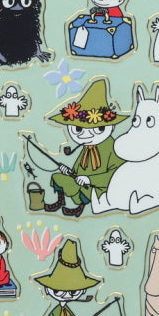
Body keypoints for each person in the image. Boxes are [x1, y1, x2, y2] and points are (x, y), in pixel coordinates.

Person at [46, 80, 126, 217]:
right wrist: (68, 171)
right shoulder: (86, 148)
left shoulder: (113, 147)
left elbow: (116, 174)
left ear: (111, 127)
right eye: (78, 129)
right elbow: (77, 170)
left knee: (87, 190)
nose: (86, 135)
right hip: (80, 181)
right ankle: (60, 201)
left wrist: (90, 180)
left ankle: (80, 207)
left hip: (100, 186)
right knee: (57, 177)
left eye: (98, 129)